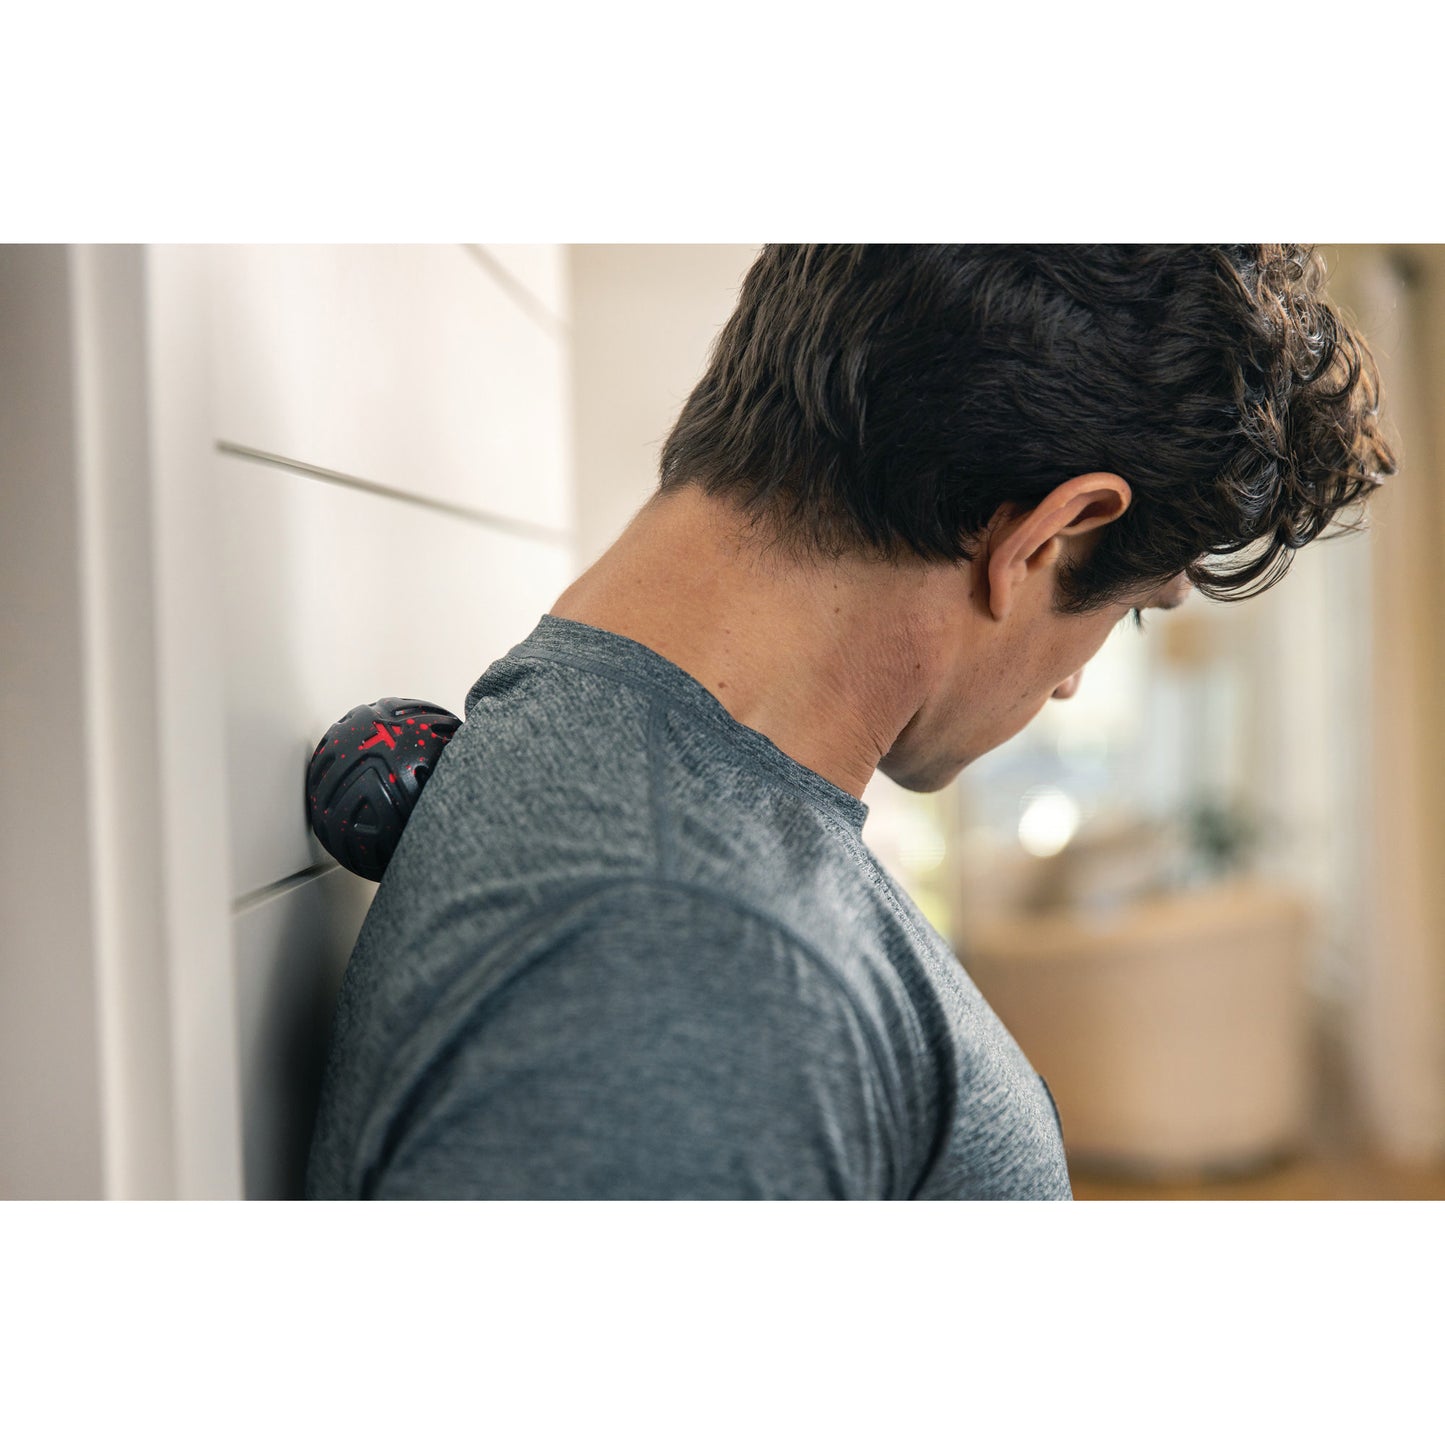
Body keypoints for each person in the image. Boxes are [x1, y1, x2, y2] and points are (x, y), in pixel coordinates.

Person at [306, 245, 1394, 1200]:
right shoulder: (680, 965)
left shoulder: (632, 788)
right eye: (1129, 611)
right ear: (1048, 538)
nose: (1068, 684)